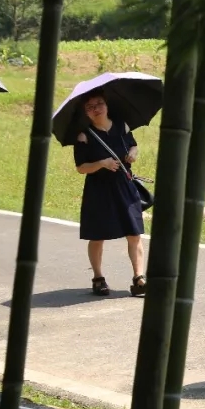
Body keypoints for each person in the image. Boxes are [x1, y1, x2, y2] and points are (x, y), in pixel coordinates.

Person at [73, 89, 147, 297]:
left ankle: (139, 278)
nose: (96, 109)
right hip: (99, 190)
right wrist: (101, 163)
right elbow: (81, 168)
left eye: (99, 104)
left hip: (124, 186)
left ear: (107, 105)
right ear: (86, 112)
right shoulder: (84, 136)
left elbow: (133, 146)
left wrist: (133, 154)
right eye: (90, 107)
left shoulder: (122, 126)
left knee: (134, 233)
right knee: (97, 236)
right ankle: (98, 278)